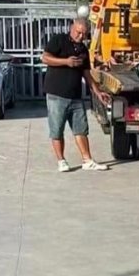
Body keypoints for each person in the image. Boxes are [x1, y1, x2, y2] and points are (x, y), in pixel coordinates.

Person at [42, 18, 110, 172]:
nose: (81, 36)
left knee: (81, 129)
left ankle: (87, 160)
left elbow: (87, 74)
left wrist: (98, 92)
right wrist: (66, 62)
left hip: (76, 96)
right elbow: (45, 58)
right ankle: (61, 161)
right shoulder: (58, 40)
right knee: (57, 129)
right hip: (56, 95)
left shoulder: (83, 50)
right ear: (72, 28)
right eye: (78, 32)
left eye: (84, 34)